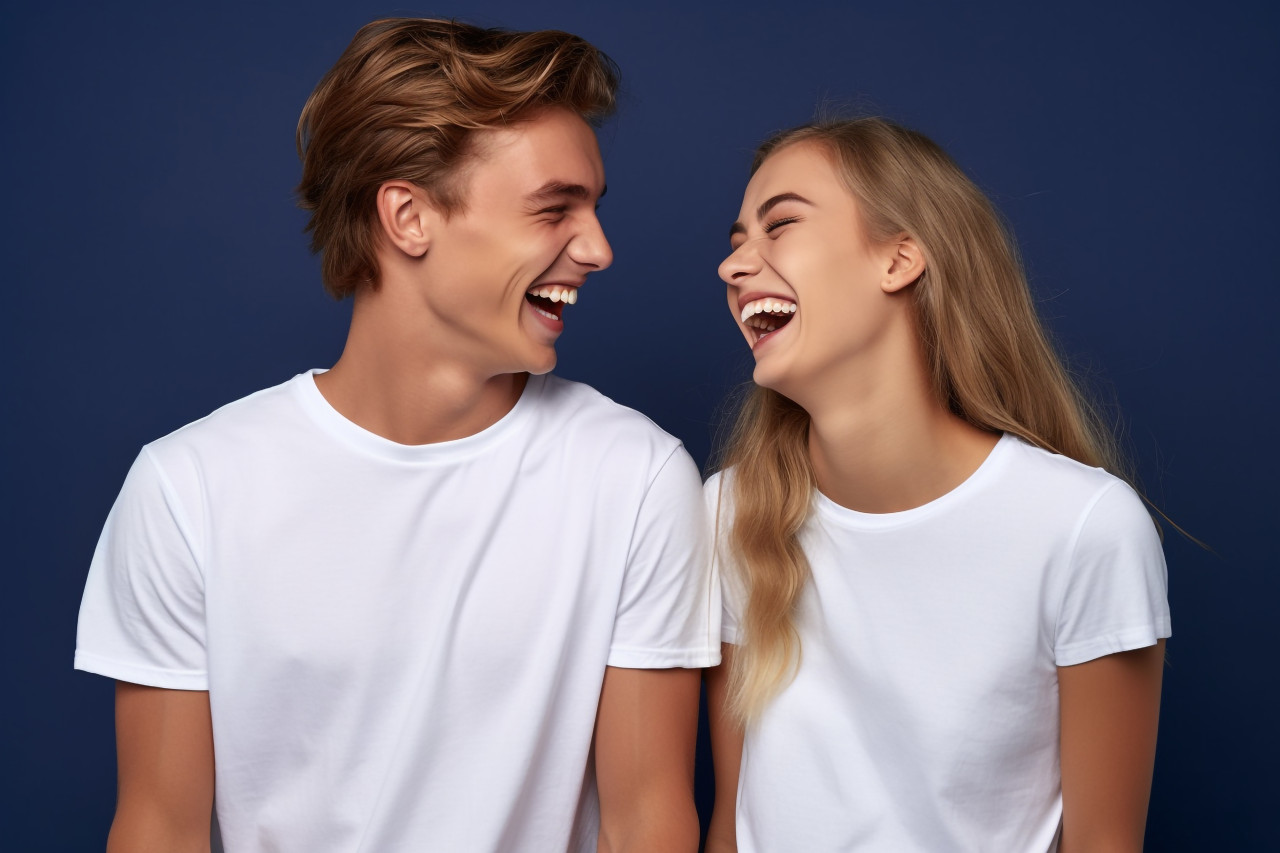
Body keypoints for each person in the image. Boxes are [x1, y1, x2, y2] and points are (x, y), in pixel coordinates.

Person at [75, 18, 717, 853]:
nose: (597, 248)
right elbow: (160, 828)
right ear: (408, 216)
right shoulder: (188, 489)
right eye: (555, 209)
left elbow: (648, 824)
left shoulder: (633, 478)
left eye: (593, 208)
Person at [703, 118, 1170, 852]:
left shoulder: (1084, 527)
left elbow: (1105, 842)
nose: (734, 267)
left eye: (780, 225)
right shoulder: (730, 512)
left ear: (900, 257)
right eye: (735, 243)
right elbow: (729, 825)